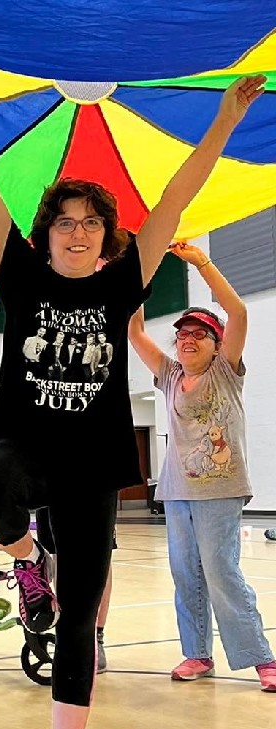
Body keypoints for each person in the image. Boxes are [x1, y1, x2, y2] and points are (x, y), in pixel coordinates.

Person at [0, 57, 265, 729]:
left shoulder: (123, 281)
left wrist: (223, 120)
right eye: (67, 222)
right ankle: (29, 564)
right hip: (25, 451)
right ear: (48, 232)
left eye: (91, 224)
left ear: (105, 237)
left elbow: (177, 199)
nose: (79, 233)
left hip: (90, 465)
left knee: (80, 614)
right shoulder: (20, 272)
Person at [128, 241, 275, 692]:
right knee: (184, 571)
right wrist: (137, 274)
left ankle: (260, 657)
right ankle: (197, 654)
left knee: (219, 568)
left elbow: (239, 313)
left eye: (200, 334)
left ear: (216, 344)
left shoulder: (225, 370)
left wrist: (202, 263)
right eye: (183, 334)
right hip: (176, 489)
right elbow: (134, 330)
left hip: (221, 487)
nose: (188, 340)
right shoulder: (170, 374)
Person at [35, 507, 115, 674]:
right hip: (50, 486)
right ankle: (69, 636)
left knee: (100, 551)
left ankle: (96, 637)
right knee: (58, 552)